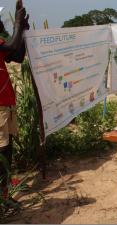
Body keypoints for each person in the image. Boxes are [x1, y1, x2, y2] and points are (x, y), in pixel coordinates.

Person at [0, 0, 29, 199]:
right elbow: (11, 44)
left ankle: (5, 183)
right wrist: (17, 23)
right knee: (2, 147)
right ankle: (3, 192)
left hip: (5, 103)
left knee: (6, 145)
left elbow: (16, 55)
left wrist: (23, 31)